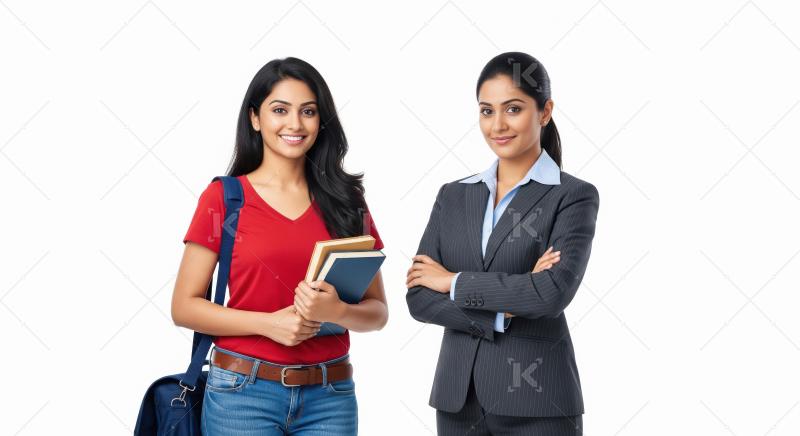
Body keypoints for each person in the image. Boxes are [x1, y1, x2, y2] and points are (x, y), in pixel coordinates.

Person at [172, 57, 388, 435]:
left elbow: (377, 313)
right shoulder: (225, 198)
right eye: (279, 110)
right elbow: (184, 306)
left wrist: (337, 310)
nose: (295, 124)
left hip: (330, 397)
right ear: (255, 118)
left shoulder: (347, 201)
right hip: (241, 394)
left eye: (308, 111)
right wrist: (269, 325)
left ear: (322, 122)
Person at [406, 52, 599, 435]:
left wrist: (452, 282)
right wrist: (503, 310)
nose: (498, 125)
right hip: (458, 400)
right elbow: (418, 298)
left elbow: (550, 293)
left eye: (513, 109)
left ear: (544, 112)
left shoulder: (572, 196)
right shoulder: (453, 196)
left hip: (539, 402)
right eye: (486, 111)